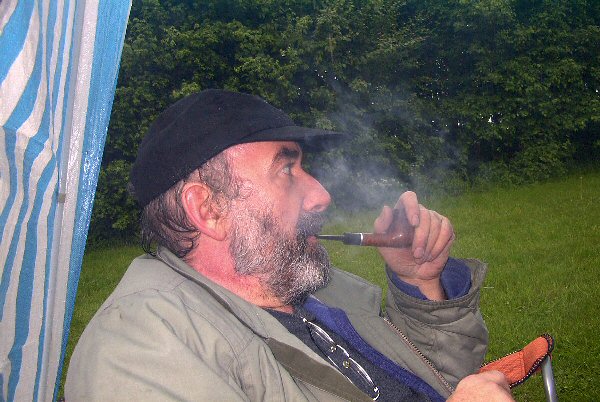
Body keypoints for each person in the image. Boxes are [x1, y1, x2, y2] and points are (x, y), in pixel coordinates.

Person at [65, 89, 514, 401]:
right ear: (209, 209)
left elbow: (441, 380)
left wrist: (419, 283)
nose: (320, 194)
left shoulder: (313, 289)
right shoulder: (140, 348)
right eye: (286, 170)